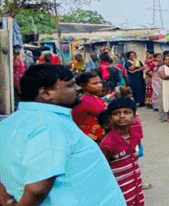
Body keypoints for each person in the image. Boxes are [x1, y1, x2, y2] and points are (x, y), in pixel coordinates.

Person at [1, 64, 126, 206]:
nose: (77, 88)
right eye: (70, 85)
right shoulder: (48, 124)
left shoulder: (10, 122)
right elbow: (37, 189)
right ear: (46, 93)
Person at [99, 96, 144, 206]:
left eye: (127, 112)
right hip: (119, 191)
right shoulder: (107, 144)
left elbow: (136, 155)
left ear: (134, 116)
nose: (122, 116)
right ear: (110, 117)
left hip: (136, 187)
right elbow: (103, 169)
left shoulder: (136, 136)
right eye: (116, 113)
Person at [71, 70, 108, 142]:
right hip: (94, 138)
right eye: (95, 83)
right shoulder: (86, 100)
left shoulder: (92, 97)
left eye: (100, 82)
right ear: (83, 86)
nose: (100, 85)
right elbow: (107, 114)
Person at [158, 52, 169, 124]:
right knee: (165, 100)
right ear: (163, 60)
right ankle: (165, 116)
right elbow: (164, 77)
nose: (168, 61)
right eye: (166, 59)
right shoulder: (161, 68)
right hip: (165, 87)